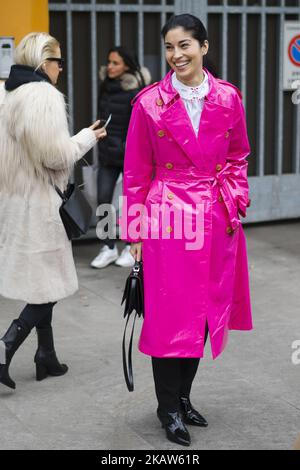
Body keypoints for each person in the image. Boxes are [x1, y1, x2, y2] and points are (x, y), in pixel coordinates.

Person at [121, 14, 253, 446]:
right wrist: (135, 233)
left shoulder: (228, 99)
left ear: (204, 47)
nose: (177, 55)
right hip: (168, 219)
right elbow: (137, 173)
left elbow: (238, 155)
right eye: (170, 48)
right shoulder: (148, 103)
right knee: (166, 315)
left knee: (201, 315)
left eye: (185, 46)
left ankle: (182, 397)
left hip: (215, 217)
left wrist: (234, 197)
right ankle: (167, 409)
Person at [0, 32, 107, 390]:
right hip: (40, 205)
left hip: (16, 199)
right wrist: (88, 137)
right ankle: (4, 346)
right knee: (50, 285)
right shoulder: (42, 96)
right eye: (58, 61)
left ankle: (46, 355)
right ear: (44, 63)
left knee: (43, 281)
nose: (61, 68)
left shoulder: (7, 92)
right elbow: (56, 157)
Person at [90, 46, 151, 269]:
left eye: (115, 63)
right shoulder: (105, 85)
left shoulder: (137, 89)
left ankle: (129, 245)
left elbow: (143, 126)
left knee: (130, 203)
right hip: (108, 153)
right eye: (109, 62)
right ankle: (108, 246)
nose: (110, 67)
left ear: (127, 64)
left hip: (131, 156)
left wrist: (129, 146)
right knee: (103, 198)